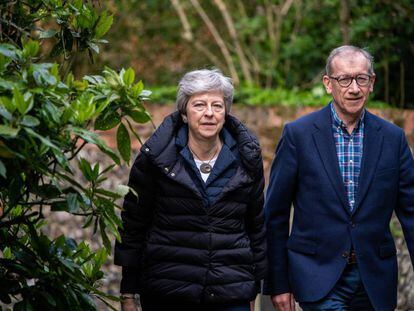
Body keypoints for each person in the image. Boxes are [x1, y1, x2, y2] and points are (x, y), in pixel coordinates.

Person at [264, 45, 414, 310]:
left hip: (374, 279)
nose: (354, 88)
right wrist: (278, 283)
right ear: (328, 83)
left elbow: (412, 212)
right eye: (344, 79)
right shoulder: (298, 135)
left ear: (372, 83)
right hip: (317, 276)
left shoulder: (393, 139)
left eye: (361, 79)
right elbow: (274, 214)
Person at [114, 69, 266, 311]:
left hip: (230, 292)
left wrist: (253, 286)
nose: (209, 113)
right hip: (167, 291)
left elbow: (256, 224)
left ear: (225, 113)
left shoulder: (247, 158)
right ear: (184, 113)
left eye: (217, 105)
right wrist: (128, 293)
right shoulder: (155, 158)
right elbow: (134, 224)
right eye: (199, 105)